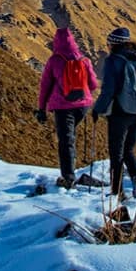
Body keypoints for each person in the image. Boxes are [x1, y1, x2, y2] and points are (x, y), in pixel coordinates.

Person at [91, 27, 136, 200]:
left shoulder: (114, 61)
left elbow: (109, 89)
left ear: (113, 43)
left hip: (120, 111)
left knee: (116, 152)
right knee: (128, 149)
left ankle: (116, 191)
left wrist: (98, 109)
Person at [36, 28, 98, 189]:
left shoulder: (55, 60)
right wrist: (81, 92)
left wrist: (42, 108)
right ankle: (71, 172)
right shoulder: (84, 59)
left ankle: (68, 177)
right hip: (83, 106)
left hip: (63, 107)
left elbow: (45, 86)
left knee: (66, 141)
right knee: (69, 138)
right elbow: (93, 84)